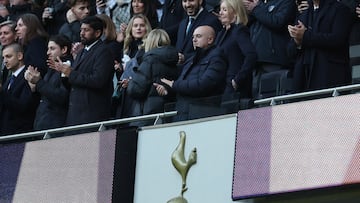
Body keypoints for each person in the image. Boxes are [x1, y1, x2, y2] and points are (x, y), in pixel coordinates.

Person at [51, 16, 114, 127]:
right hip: (76, 115)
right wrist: (64, 74)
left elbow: (98, 80)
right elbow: (73, 83)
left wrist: (71, 73)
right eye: (81, 30)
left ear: (97, 33)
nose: (82, 33)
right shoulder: (81, 52)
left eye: (86, 30)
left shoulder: (104, 51)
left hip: (91, 115)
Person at [156, 25, 227, 121]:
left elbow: (203, 85)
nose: (194, 40)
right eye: (193, 37)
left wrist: (174, 85)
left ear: (210, 39)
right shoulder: (191, 60)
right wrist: (167, 91)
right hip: (184, 113)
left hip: (203, 116)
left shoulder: (217, 59)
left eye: (198, 36)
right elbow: (183, 87)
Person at [288, 0, 352, 92]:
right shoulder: (304, 14)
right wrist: (297, 40)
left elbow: (338, 40)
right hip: (303, 77)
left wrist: (305, 36)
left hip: (329, 76)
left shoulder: (340, 9)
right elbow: (289, 51)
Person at [243, 0, 296, 98]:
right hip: (257, 62)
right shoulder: (260, 5)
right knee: (258, 102)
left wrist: (255, 8)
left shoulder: (286, 2)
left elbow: (277, 22)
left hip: (274, 61)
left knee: (273, 99)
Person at [127, 29, 178, 126]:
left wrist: (130, 83)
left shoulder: (149, 60)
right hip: (168, 113)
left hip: (148, 114)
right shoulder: (175, 61)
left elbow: (136, 89)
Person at [24, 35, 73, 132]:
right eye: (48, 49)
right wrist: (34, 87)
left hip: (56, 127)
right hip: (42, 124)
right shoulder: (51, 69)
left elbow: (62, 97)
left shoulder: (67, 66)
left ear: (64, 49)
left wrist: (39, 82)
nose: (48, 52)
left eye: (52, 48)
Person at [216, 0, 257, 99]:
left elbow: (251, 55)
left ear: (235, 12)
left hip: (233, 87)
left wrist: (238, 79)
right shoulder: (221, 33)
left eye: (224, 10)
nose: (220, 13)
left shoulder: (239, 30)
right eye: (220, 9)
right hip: (220, 86)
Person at [115, 14, 152, 119]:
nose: (139, 28)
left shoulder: (148, 48)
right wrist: (120, 69)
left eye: (142, 25)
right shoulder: (127, 48)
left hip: (139, 96)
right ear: (131, 29)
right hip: (125, 95)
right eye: (135, 26)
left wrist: (131, 81)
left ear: (147, 28)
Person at [0, 43, 39, 136]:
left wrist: (1, 92)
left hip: (20, 134)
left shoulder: (29, 75)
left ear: (20, 56)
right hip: (6, 134)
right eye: (3, 58)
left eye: (8, 56)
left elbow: (23, 106)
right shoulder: (8, 80)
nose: (5, 61)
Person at [175, 0, 222, 64]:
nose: (187, 5)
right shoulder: (183, 23)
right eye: (184, 1)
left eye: (191, 0)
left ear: (200, 1)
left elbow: (213, 50)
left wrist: (185, 57)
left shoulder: (212, 21)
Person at [0, 20, 16, 85]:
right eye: (0, 34)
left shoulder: (21, 52)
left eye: (6, 33)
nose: (2, 36)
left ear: (15, 35)